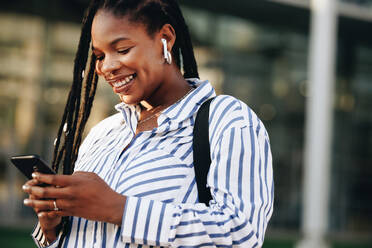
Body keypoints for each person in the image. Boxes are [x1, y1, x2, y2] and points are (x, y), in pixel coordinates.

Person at [22, 0, 274, 247]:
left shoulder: (227, 119)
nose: (106, 67)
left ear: (165, 38)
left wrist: (118, 208)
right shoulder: (103, 133)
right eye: (99, 56)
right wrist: (53, 230)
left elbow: (241, 233)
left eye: (122, 50)